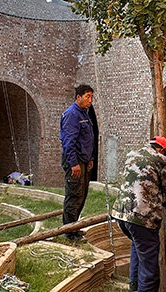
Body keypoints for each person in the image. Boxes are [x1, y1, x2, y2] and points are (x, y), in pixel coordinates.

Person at [112, 136, 166, 292]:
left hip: (122, 215)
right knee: (150, 270)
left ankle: (134, 288)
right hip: (142, 218)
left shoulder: (133, 154)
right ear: (162, 150)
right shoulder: (160, 158)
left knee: (138, 248)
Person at [60, 84, 95, 240]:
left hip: (84, 161)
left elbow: (87, 139)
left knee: (82, 195)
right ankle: (69, 231)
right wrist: (74, 163)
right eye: (87, 96)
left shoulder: (84, 114)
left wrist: (90, 159)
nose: (90, 100)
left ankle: (75, 227)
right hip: (75, 162)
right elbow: (69, 142)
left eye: (91, 97)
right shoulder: (72, 115)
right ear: (78, 97)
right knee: (74, 195)